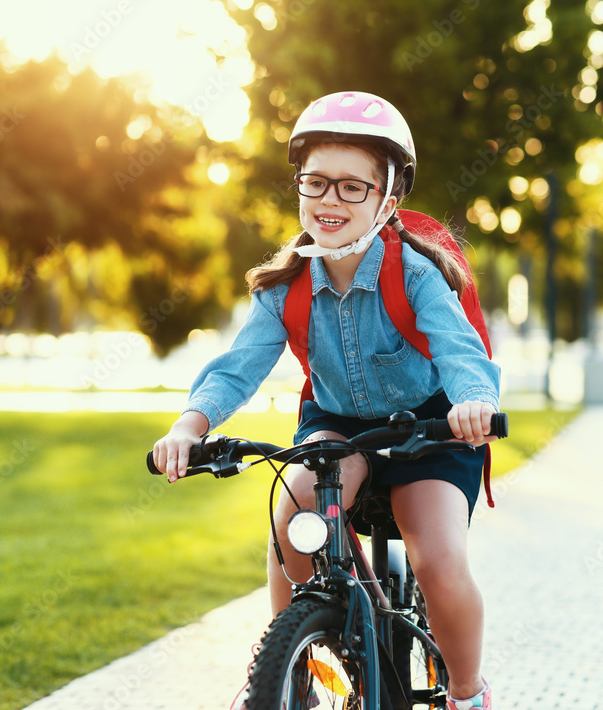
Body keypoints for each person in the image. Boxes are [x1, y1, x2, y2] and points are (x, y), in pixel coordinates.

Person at [152, 91, 502, 710]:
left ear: (387, 198)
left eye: (352, 187)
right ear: (299, 189)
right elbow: (237, 369)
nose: (331, 201)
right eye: (317, 183)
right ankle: (290, 672)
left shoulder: (415, 272)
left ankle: (468, 695)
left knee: (439, 560)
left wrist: (472, 402)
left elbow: (460, 349)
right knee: (294, 510)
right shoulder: (285, 286)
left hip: (432, 425)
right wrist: (188, 426)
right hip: (338, 422)